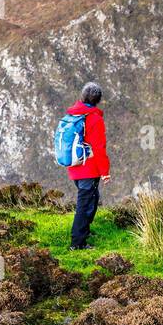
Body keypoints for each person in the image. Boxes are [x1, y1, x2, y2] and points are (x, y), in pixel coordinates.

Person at [67, 83, 110, 249]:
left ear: (82, 97)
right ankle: (77, 243)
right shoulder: (95, 119)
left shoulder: (72, 115)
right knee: (84, 204)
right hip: (88, 168)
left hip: (74, 165)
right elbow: (99, 148)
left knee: (93, 198)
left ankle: (84, 230)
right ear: (98, 100)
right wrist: (105, 172)